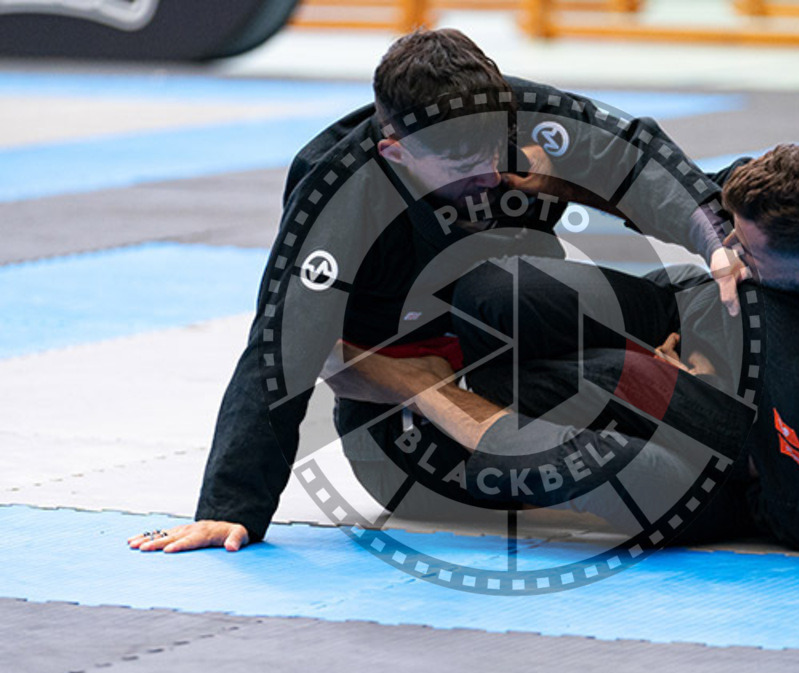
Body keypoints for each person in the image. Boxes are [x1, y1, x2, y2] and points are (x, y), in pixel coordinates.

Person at [127, 28, 745, 553]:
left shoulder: (516, 114)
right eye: (457, 166)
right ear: (396, 152)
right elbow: (284, 342)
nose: (484, 171)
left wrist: (715, 236)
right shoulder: (337, 195)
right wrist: (233, 501)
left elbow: (636, 161)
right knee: (652, 478)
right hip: (414, 419)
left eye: (489, 147)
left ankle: (704, 396)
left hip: (534, 348)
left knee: (513, 291)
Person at [315, 143, 799, 553]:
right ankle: (467, 393)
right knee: (498, 292)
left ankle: (435, 391)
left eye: (745, 252)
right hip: (686, 316)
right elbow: (678, 193)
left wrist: (418, 388)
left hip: (737, 448)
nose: (730, 253)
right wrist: (556, 179)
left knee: (598, 427)